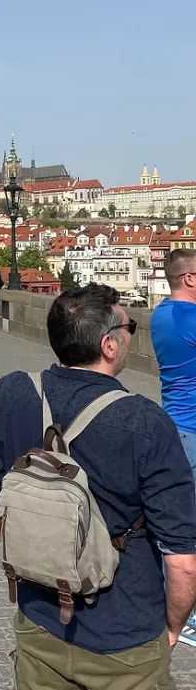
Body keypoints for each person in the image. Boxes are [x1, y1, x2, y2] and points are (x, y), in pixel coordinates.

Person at [0, 285, 196, 690]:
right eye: (129, 326)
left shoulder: (13, 392)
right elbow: (183, 561)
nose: (133, 334)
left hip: (39, 615)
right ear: (109, 344)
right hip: (126, 632)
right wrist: (171, 627)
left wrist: (37, 559)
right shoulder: (144, 421)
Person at [151, 247, 196, 645]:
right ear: (190, 278)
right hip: (194, 430)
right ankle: (187, 616)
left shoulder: (160, 314)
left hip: (174, 422)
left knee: (179, 518)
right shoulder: (193, 317)